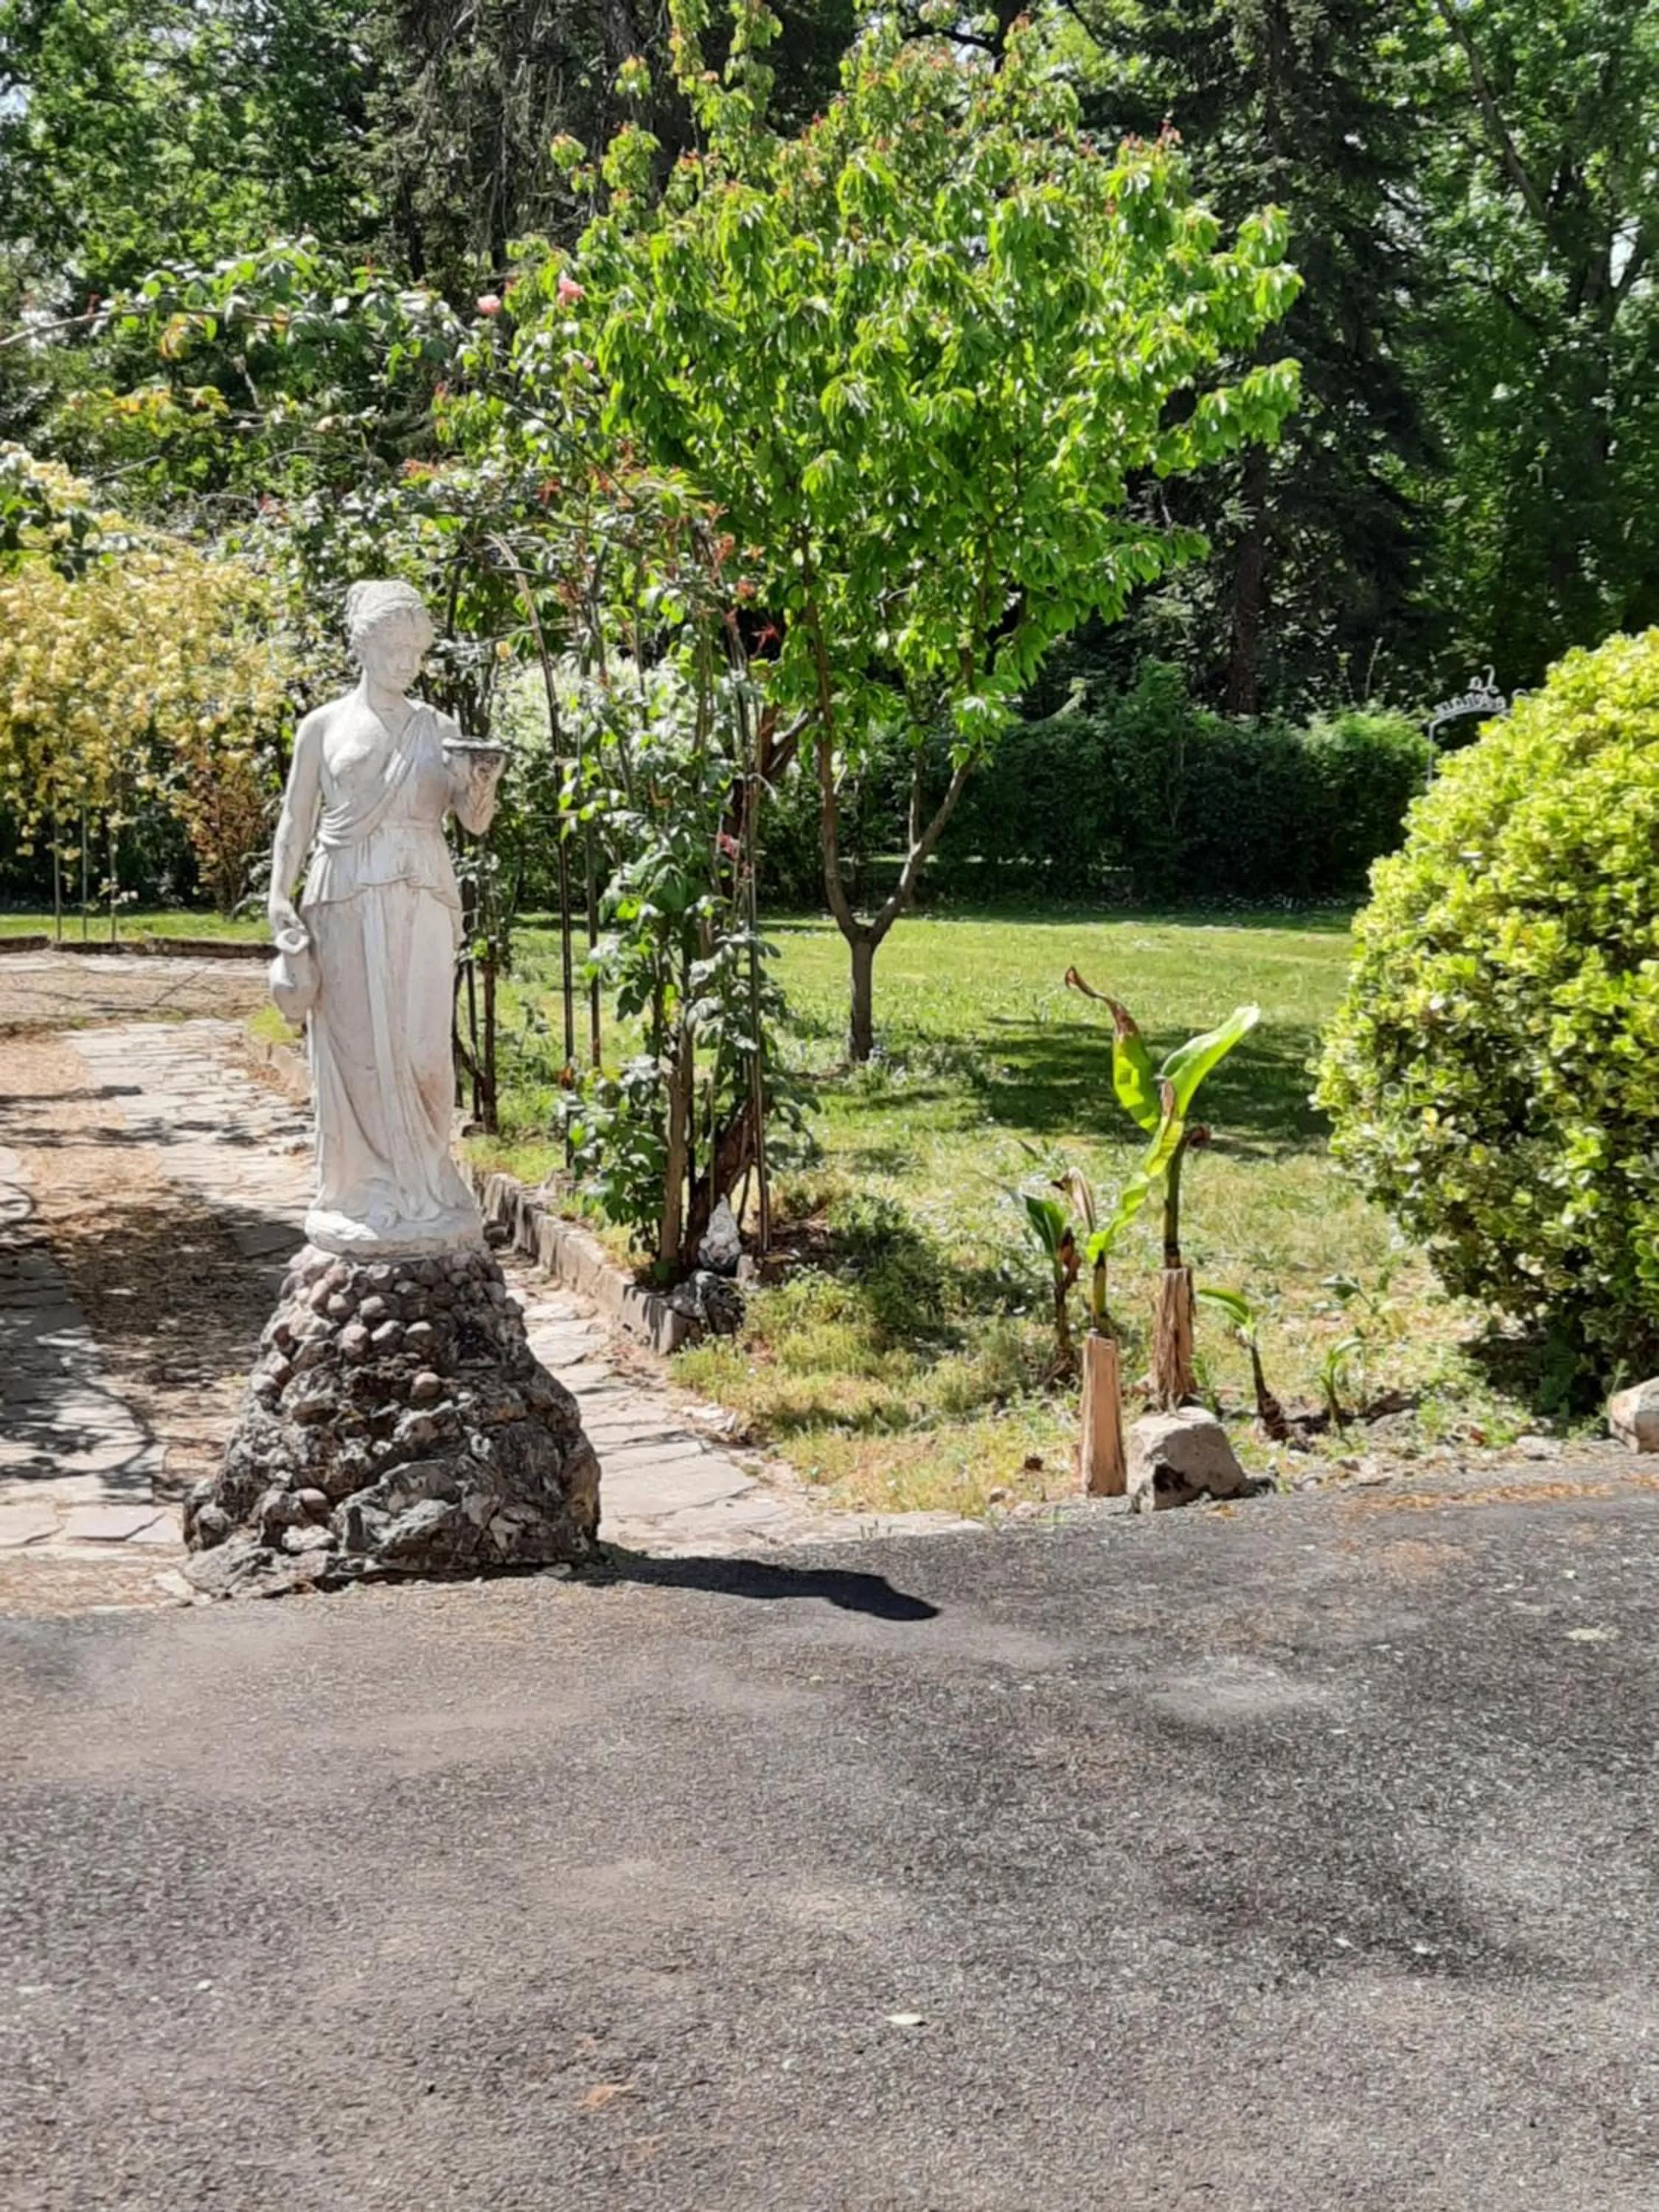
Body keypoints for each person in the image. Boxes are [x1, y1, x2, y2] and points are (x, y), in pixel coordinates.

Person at [266, 580, 506, 1253]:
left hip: (424, 891)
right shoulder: (325, 725)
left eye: (415, 649)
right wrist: (278, 896)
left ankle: (428, 1179)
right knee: (358, 1050)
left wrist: (482, 784)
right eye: (393, 646)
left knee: (424, 1049)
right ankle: (364, 1188)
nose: (406, 661)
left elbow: (475, 824)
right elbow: (296, 817)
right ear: (363, 643)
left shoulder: (439, 727)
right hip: (344, 892)